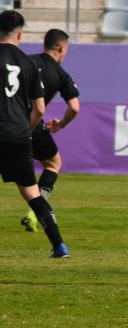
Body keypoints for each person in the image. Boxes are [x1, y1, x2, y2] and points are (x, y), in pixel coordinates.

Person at [0, 10, 69, 257]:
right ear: (20, 34)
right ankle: (59, 245)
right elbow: (39, 109)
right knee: (32, 192)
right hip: (19, 135)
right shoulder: (28, 63)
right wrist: (24, 129)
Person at [20, 28, 79, 234]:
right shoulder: (61, 74)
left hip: (8, 120)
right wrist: (61, 124)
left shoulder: (25, 61)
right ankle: (34, 213)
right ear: (61, 48)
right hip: (32, 124)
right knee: (53, 164)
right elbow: (74, 107)